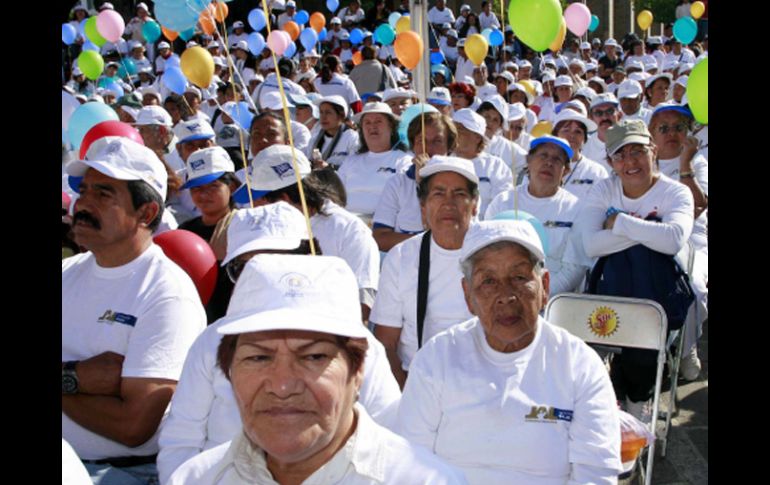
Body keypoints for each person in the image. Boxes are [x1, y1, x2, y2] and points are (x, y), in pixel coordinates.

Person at [166, 254, 466, 484]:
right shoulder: (195, 478)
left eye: (313, 358)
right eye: (258, 358)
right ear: (229, 372)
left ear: (358, 371)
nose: (282, 385)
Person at [157, 205, 403, 483]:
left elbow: (390, 431)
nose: (267, 275)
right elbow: (180, 440)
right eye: (247, 266)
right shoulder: (210, 341)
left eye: (315, 358)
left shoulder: (357, 343)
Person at [397, 219, 623, 484]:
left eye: (519, 277)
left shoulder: (580, 365)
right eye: (488, 281)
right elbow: (411, 464)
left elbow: (595, 474)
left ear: (545, 287)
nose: (505, 295)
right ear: (468, 296)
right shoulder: (436, 359)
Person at [62, 138, 206, 484]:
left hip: (110, 472)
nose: (83, 203)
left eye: (104, 194)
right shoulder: (69, 272)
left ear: (147, 213)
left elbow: (133, 427)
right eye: (85, 190)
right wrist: (77, 378)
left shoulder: (167, 294)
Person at [578, 119, 695, 421]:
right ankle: (631, 391)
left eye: (637, 151)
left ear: (653, 150)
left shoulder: (676, 192)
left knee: (644, 255)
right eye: (620, 155)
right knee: (637, 250)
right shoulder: (605, 189)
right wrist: (651, 228)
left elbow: (672, 241)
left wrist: (619, 222)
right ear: (610, 162)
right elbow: (591, 244)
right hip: (613, 295)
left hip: (657, 297)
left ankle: (634, 394)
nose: (630, 161)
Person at [235, 145, 380, 322]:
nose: (254, 207)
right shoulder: (262, 230)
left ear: (284, 200)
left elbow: (363, 305)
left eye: (258, 200)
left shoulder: (350, 231)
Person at [372, 156, 479, 388]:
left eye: (459, 194)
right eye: (438, 194)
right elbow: (386, 344)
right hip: (415, 382)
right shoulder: (401, 258)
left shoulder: (495, 254)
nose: (449, 204)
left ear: (475, 204)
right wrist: (406, 398)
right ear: (423, 207)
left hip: (481, 384)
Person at [648, 103, 708, 380]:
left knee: (692, 288)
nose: (671, 133)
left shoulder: (699, 162)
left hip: (693, 240)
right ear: (651, 134)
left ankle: (686, 348)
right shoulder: (642, 163)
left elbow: (699, 206)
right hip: (651, 236)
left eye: (678, 127)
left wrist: (685, 165)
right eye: (664, 128)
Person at [486, 135, 589, 296]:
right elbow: (487, 256)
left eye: (557, 159)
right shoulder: (502, 202)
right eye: (543, 155)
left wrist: (536, 296)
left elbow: (574, 269)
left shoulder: (577, 209)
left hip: (552, 302)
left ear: (566, 170)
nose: (549, 163)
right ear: (529, 161)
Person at [177, 147, 241, 323]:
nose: (203, 194)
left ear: (232, 186)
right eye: (196, 188)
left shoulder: (245, 227)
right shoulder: (185, 231)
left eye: (213, 186)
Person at [372, 110, 449, 250]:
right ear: (413, 146)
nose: (429, 149)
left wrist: (424, 184)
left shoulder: (462, 182)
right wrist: (426, 244)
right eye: (421, 141)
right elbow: (380, 237)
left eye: (437, 141)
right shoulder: (397, 183)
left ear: (449, 147)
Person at [337, 102, 411, 221]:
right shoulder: (350, 161)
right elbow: (335, 195)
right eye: (367, 122)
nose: (372, 126)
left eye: (378, 121)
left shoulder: (403, 161)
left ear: (391, 127)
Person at [451, 109, 513, 216]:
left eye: (460, 130)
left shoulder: (496, 166)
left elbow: (502, 205)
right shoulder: (444, 162)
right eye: (452, 130)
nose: (453, 135)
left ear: (477, 137)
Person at [549, 109, 609, 201]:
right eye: (566, 130)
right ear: (555, 135)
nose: (572, 135)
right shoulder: (540, 166)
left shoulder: (597, 171)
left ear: (584, 139)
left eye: (578, 131)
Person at [307, 95, 361, 169]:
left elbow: (355, 167)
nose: (323, 117)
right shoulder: (314, 139)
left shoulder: (352, 137)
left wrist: (329, 167)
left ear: (341, 115)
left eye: (328, 112)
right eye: (321, 112)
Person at [582, 93, 622, 172]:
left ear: (619, 115)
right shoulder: (584, 147)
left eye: (610, 111)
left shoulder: (631, 140)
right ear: (591, 118)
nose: (605, 117)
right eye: (598, 113)